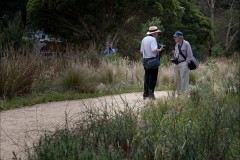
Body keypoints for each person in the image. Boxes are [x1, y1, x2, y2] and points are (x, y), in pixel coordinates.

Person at [140, 26, 164, 100]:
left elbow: (141, 51)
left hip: (145, 60)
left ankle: (145, 93)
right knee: (153, 78)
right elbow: (154, 50)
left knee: (146, 77)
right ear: (154, 33)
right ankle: (151, 93)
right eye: (157, 33)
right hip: (153, 60)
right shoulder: (153, 39)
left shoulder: (144, 39)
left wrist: (146, 54)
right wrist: (160, 49)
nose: (157, 34)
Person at [172, 31, 194, 96]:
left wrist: (186, 64)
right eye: (174, 37)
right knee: (177, 80)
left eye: (175, 37)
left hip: (183, 64)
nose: (174, 38)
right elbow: (176, 54)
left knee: (184, 80)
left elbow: (190, 55)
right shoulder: (176, 45)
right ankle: (179, 95)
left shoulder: (186, 44)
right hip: (176, 64)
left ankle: (184, 96)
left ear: (180, 37)